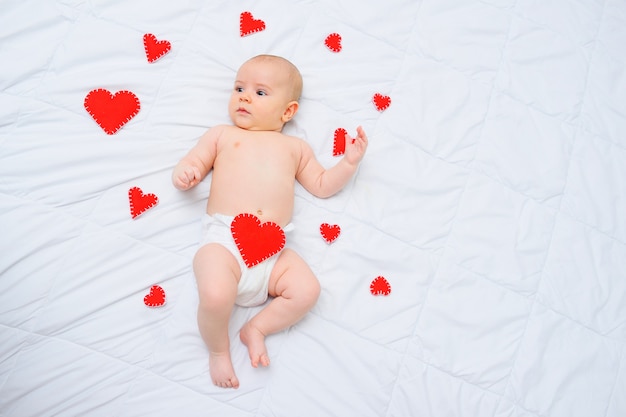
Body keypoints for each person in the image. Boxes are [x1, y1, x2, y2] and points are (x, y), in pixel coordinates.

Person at [172, 54, 368, 389]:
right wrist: (185, 174)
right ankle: (219, 350)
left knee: (307, 290)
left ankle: (257, 328)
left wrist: (348, 164)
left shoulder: (296, 148)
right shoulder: (221, 135)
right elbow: (191, 163)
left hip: (272, 252)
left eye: (260, 92)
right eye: (239, 88)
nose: (244, 96)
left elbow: (321, 186)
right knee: (216, 295)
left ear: (288, 111)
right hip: (225, 241)